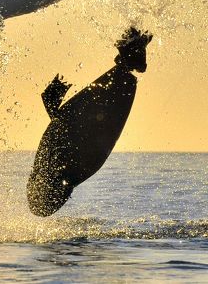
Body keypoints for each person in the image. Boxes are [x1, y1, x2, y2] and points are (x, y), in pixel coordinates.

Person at [27, 27, 153, 217]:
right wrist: (52, 106)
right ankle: (132, 52)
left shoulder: (62, 171)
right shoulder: (61, 168)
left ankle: (132, 52)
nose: (30, 181)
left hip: (96, 116)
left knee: (127, 71)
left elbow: (63, 131)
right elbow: (65, 131)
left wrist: (53, 107)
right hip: (95, 117)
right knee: (126, 71)